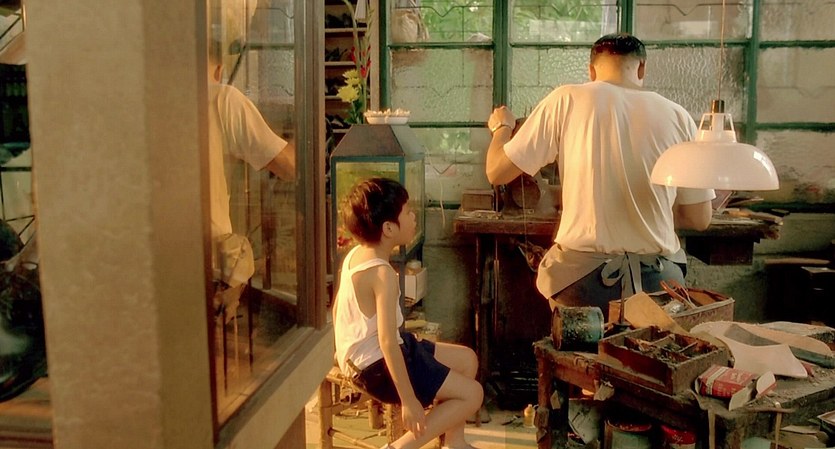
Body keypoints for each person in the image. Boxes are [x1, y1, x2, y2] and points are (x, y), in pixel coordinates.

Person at [485, 33, 715, 318]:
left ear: (591, 71)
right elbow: (699, 218)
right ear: (642, 68)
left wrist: (502, 128)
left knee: (577, 344)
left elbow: (497, 171)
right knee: (654, 346)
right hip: (659, 283)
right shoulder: (679, 116)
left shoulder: (566, 99)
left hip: (584, 282)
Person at [333, 178, 483, 449]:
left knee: (467, 360)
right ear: (389, 228)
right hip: (376, 367)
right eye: (408, 212)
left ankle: (454, 442)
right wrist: (408, 401)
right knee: (473, 395)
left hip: (369, 356)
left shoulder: (356, 254)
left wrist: (342, 350)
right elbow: (387, 342)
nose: (414, 217)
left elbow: (339, 311)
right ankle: (400, 447)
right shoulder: (383, 275)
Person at [207, 40, 296, 309]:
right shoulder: (222, 98)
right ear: (219, 70)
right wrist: (299, 137)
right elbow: (289, 167)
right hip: (207, 261)